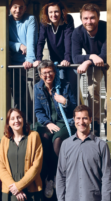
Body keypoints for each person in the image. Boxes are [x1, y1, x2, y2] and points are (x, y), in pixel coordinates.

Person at [71, 3, 111, 136]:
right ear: (81, 19)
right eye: (85, 18)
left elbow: (105, 54)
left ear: (98, 18)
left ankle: (109, 122)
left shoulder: (106, 28)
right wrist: (91, 57)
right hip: (94, 63)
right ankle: (96, 124)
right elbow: (75, 57)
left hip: (110, 60)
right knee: (93, 91)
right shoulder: (78, 32)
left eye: (92, 18)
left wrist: (87, 60)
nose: (89, 21)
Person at [32, 60, 76, 198]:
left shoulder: (64, 86)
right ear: (40, 74)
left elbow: (74, 108)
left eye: (50, 71)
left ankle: (52, 177)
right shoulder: (37, 88)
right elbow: (38, 111)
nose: (48, 75)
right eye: (44, 73)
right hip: (47, 123)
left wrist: (65, 102)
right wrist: (47, 123)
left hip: (64, 122)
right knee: (44, 139)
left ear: (55, 72)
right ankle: (43, 176)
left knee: (57, 141)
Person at [56, 105, 111, 201]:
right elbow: (61, 176)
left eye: (85, 118)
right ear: (74, 119)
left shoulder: (101, 146)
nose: (81, 122)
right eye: (78, 118)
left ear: (90, 120)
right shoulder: (65, 145)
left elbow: (107, 178)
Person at [0, 108, 43, 201]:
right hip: (10, 192)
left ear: (23, 119)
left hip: (31, 191)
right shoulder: (4, 140)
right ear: (8, 123)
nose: (16, 121)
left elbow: (36, 166)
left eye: (19, 117)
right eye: (12, 118)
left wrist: (19, 186)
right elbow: (1, 167)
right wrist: (15, 189)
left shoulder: (34, 136)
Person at [34, 0, 76, 96]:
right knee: (59, 87)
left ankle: (75, 109)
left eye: (56, 11)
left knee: (73, 87)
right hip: (56, 60)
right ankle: (61, 110)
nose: (54, 15)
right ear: (47, 13)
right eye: (51, 12)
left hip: (70, 59)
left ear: (61, 11)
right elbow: (41, 40)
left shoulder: (68, 19)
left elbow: (68, 39)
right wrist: (38, 58)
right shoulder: (44, 21)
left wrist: (67, 58)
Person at [9, 0, 39, 124]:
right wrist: (17, 45)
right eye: (15, 7)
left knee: (32, 97)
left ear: (25, 8)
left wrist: (30, 61)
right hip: (13, 66)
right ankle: (21, 125)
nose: (18, 10)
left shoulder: (30, 19)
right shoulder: (6, 20)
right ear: (10, 8)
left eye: (21, 7)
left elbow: (31, 42)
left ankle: (35, 125)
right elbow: (3, 41)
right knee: (17, 99)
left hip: (28, 64)